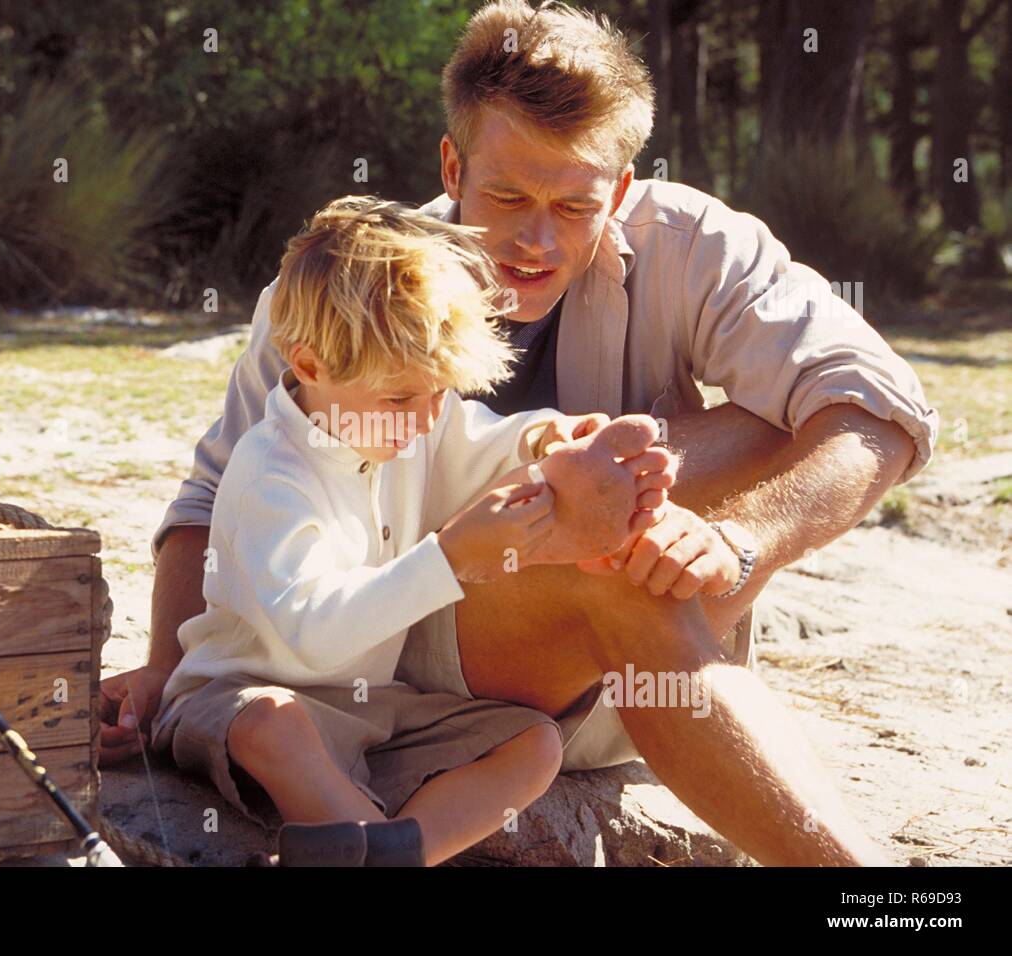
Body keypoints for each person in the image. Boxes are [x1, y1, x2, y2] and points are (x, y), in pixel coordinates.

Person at [107, 1, 937, 866]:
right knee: (614, 564)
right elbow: (213, 493)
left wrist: (738, 540)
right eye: (505, 195)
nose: (535, 241)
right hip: (396, 651)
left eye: (574, 205)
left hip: (602, 672)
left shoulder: (693, 242)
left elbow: (882, 409)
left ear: (618, 188)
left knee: (768, 428)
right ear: (451, 164)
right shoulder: (340, 297)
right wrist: (167, 671)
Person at [148, 196, 678, 866]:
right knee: (274, 728)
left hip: (373, 711)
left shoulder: (407, 422)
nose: (428, 418)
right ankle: (353, 831)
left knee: (535, 742)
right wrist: (451, 560)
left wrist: (545, 436)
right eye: (402, 398)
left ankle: (403, 848)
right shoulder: (270, 476)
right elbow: (316, 634)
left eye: (441, 392)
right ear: (309, 366)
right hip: (238, 698)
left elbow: (475, 442)